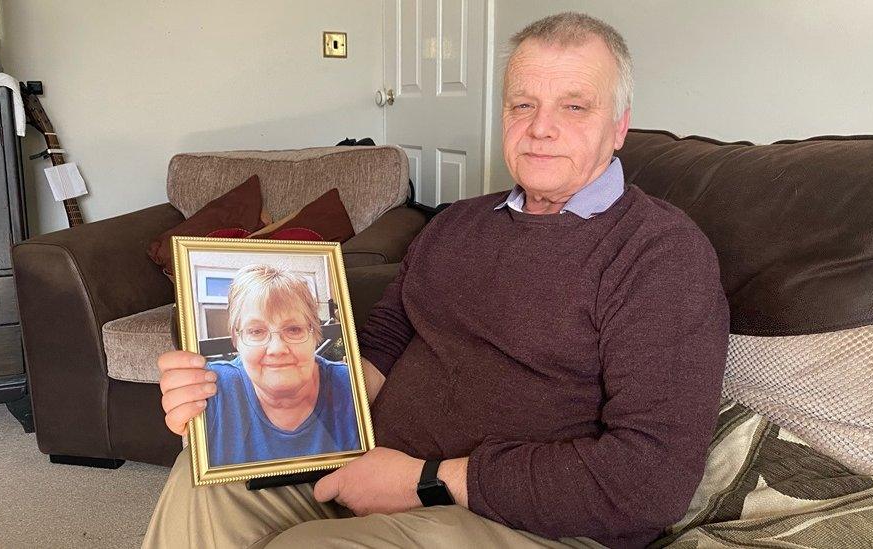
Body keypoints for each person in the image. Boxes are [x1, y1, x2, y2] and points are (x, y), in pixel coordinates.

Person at [145, 12, 729, 549]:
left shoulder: (658, 255)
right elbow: (379, 348)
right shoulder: (456, 225)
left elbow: (648, 481)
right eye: (522, 105)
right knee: (206, 481)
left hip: (525, 520)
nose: (540, 129)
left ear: (620, 126)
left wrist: (421, 482)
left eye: (574, 107)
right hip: (375, 465)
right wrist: (245, 404)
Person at [202, 265, 360, 467]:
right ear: (236, 340)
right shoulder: (211, 388)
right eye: (257, 331)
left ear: (315, 335)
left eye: (294, 329)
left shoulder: (351, 386)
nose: (277, 348)